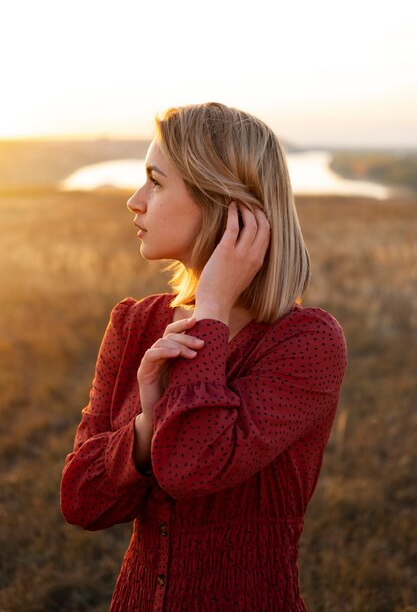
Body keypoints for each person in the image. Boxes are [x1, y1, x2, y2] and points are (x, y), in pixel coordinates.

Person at [60, 102, 347, 612]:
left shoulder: (307, 343)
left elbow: (193, 469)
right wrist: (146, 428)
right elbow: (81, 501)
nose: (134, 200)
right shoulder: (133, 325)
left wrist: (210, 308)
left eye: (155, 180)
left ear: (223, 201)